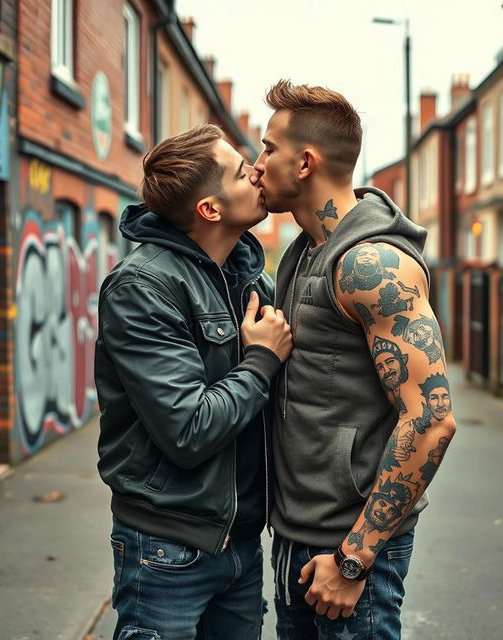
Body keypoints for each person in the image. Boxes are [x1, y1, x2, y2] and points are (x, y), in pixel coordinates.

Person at [252, 80, 457, 640]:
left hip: (350, 549)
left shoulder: (371, 265)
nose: (256, 163)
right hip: (297, 535)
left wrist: (354, 558)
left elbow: (433, 418)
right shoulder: (304, 252)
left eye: (268, 148)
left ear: (305, 162)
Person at [94, 124, 292, 640]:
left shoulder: (247, 277)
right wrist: (260, 362)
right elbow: (188, 428)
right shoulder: (144, 286)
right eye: (238, 169)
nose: (256, 170)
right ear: (210, 209)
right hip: (168, 549)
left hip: (243, 544)